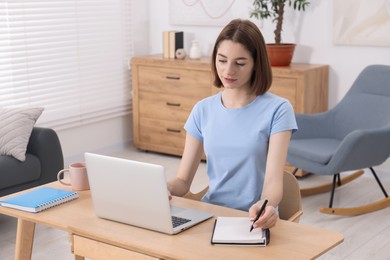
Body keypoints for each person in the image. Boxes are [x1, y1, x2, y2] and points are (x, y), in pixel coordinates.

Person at [167, 18, 297, 230]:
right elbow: (182, 180)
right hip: (211, 215)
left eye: (240, 63)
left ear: (256, 64)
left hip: (253, 219)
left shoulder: (278, 110)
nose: (228, 71)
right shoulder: (203, 109)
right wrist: (164, 188)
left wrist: (266, 206)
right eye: (222, 60)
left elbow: (273, 182)